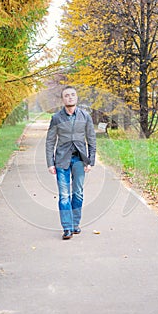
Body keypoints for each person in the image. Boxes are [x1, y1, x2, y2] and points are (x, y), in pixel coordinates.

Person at [46, 86, 96, 240]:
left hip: (80, 160)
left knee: (78, 193)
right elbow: (50, 141)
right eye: (67, 95)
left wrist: (91, 160)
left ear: (76, 98)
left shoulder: (85, 116)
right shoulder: (56, 118)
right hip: (62, 160)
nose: (70, 97)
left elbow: (91, 138)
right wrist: (50, 163)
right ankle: (67, 228)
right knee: (64, 196)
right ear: (63, 99)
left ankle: (75, 224)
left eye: (73, 95)